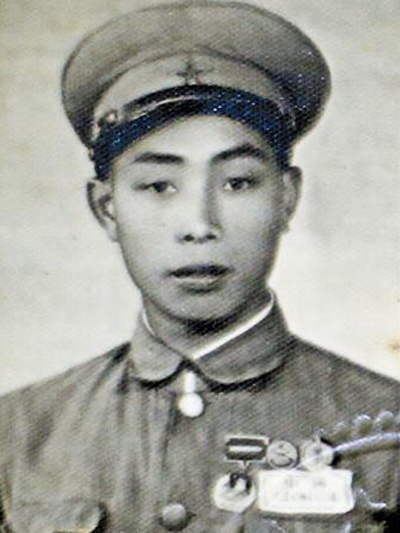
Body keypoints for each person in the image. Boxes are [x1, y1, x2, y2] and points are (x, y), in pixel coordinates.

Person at [0, 1, 399, 532]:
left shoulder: (387, 432)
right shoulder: (18, 433)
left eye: (238, 182)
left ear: (287, 198)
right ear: (107, 208)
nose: (199, 224)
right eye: (158, 186)